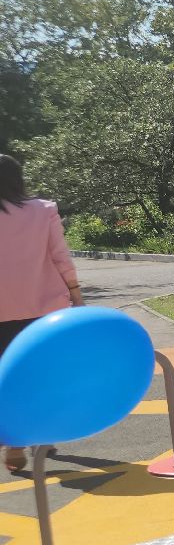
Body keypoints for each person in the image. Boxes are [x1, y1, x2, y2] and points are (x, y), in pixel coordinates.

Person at [0, 154, 82, 474]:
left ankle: (15, 444)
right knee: (41, 373)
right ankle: (42, 435)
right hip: (43, 309)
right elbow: (60, 256)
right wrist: (76, 294)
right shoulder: (42, 211)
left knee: (6, 376)